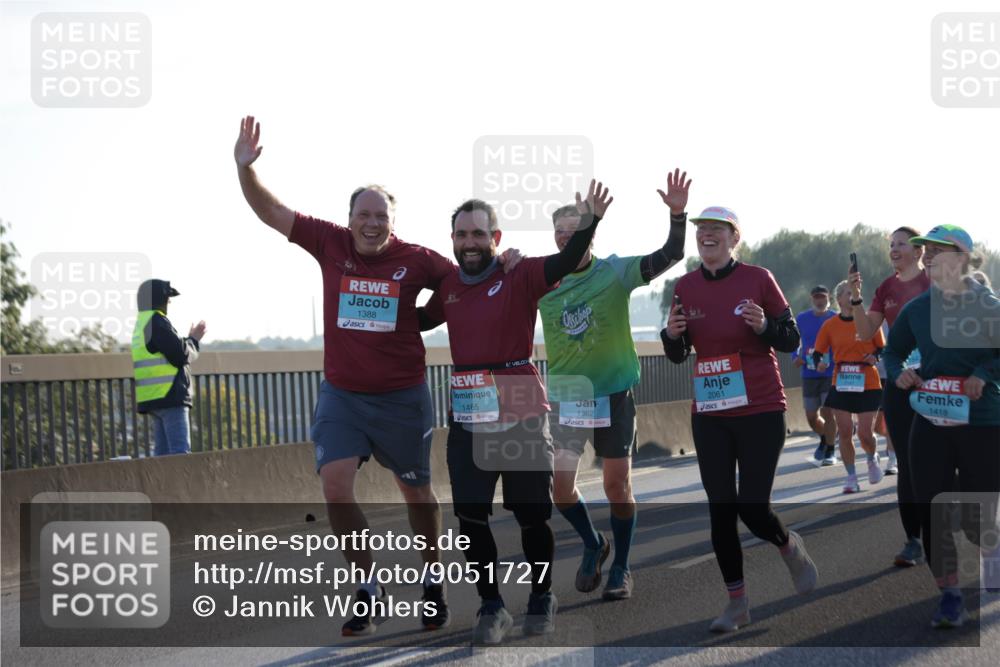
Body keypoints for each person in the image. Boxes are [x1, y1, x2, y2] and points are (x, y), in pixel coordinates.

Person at [233, 115, 522, 635]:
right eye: (363, 215)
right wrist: (244, 170)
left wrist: (504, 261)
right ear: (349, 219)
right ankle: (368, 584)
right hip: (342, 395)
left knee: (417, 495)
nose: (371, 223)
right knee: (336, 486)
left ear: (393, 221)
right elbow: (271, 211)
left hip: (401, 398)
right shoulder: (329, 243)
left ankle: (433, 578)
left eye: (380, 216)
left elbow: (466, 275)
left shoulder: (416, 259)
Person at [420, 180, 612, 645]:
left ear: (496, 239)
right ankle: (491, 604)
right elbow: (414, 321)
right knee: (470, 517)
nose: (470, 242)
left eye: (478, 234)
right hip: (469, 410)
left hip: (522, 405)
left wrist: (589, 224)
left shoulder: (518, 273)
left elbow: (566, 262)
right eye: (462, 235)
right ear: (452, 241)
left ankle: (542, 594)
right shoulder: (447, 285)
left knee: (531, 515)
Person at [660, 206, 816, 633]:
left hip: (761, 408)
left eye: (716, 230)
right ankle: (737, 603)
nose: (706, 236)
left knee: (752, 506)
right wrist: (671, 336)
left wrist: (765, 325)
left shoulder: (758, 279)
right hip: (710, 413)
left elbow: (790, 339)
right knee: (720, 510)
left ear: (734, 239)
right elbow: (677, 353)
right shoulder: (685, 286)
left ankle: (788, 546)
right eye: (701, 231)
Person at [540, 168, 689, 601]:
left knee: (615, 485)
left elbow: (672, 254)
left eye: (575, 231)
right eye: (559, 234)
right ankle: (593, 542)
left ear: (591, 233)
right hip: (570, 396)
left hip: (614, 392)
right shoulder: (542, 281)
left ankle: (621, 565)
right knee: (561, 487)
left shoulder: (615, 272)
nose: (566, 239)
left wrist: (677, 215)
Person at [883, 224, 1000, 628]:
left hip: (982, 422)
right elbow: (892, 351)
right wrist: (899, 373)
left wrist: (984, 374)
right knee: (931, 507)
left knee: (975, 515)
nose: (929, 257)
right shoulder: (917, 310)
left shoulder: (988, 306)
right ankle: (950, 595)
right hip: (930, 420)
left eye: (938, 250)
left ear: (964, 258)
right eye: (925, 251)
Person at [848, 227, 930, 566]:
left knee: (940, 460)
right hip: (898, 381)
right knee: (909, 464)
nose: (894, 249)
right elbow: (866, 332)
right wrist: (856, 297)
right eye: (891, 244)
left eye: (901, 244)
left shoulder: (936, 282)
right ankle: (913, 540)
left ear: (919, 251)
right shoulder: (886, 288)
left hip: (937, 383)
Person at [814, 281, 886, 494]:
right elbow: (818, 350)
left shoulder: (867, 321)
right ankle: (851, 477)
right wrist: (819, 362)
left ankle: (872, 458)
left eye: (855, 292)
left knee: (865, 433)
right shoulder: (830, 325)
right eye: (848, 293)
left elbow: (881, 347)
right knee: (844, 431)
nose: (853, 295)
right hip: (842, 379)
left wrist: (875, 356)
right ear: (839, 299)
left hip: (868, 380)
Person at [132, 279, 205, 456]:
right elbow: (180, 355)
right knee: (179, 456)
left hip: (154, 398)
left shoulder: (142, 323)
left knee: (163, 458)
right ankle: (179, 485)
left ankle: (163, 485)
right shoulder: (156, 322)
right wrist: (193, 341)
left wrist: (187, 341)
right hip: (170, 396)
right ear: (160, 299)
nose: (169, 303)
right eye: (168, 299)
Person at [791, 285, 838, 465]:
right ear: (812, 299)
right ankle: (826, 438)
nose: (820, 301)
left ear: (828, 299)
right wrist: (795, 356)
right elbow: (795, 341)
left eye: (823, 297)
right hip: (809, 374)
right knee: (811, 417)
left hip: (829, 372)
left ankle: (831, 451)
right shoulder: (802, 319)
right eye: (817, 297)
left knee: (828, 412)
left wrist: (834, 360)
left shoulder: (834, 318)